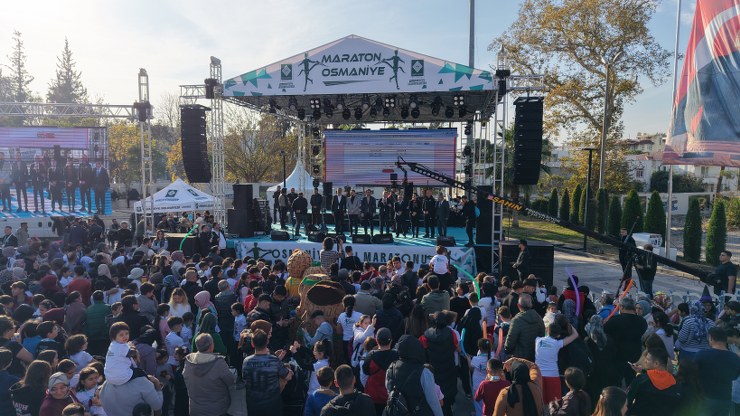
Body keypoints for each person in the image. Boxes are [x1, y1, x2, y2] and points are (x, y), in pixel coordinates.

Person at [242, 329, 293, 416]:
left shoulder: (246, 361)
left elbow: (245, 379)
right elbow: (288, 376)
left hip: (253, 404)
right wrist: (290, 371)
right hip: (272, 404)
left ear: (252, 344)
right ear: (267, 342)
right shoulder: (274, 360)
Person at [182, 333, 234, 416]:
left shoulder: (188, 362)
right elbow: (230, 381)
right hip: (217, 410)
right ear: (211, 346)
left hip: (195, 410)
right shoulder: (219, 362)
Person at [420, 312, 460, 416]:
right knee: (448, 391)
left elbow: (422, 349)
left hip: (434, 368)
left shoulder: (426, 335)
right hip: (448, 366)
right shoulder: (451, 333)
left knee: (436, 391)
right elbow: (457, 347)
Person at [694, 326, 740, 415]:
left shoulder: (701, 355)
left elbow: (694, 373)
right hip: (725, 399)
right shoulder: (734, 358)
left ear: (711, 338)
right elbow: (735, 376)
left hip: (706, 398)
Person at [603, 297, 647, 385]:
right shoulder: (642, 321)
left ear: (621, 307)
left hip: (618, 356)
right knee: (631, 381)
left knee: (616, 381)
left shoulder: (614, 321)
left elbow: (605, 333)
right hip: (635, 355)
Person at [625, 348, 681, 416]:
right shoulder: (675, 384)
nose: (645, 361)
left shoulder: (641, 380)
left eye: (648, 359)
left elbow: (627, 401)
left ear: (656, 363)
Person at [535, 323, 579, 403]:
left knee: (539, 403)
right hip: (553, 375)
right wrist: (568, 323)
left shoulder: (537, 340)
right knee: (555, 403)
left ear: (547, 330)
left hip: (538, 375)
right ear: (558, 335)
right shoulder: (557, 343)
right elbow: (575, 334)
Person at [362, 328, 399, 415]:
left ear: (376, 340)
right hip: (390, 396)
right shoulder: (397, 355)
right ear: (391, 340)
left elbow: (365, 371)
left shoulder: (371, 355)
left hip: (373, 395)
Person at [504, 294, 545, 362]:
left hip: (520, 358)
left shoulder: (516, 321)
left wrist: (506, 350)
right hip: (535, 357)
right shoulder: (539, 318)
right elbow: (542, 337)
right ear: (531, 305)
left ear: (518, 305)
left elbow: (510, 342)